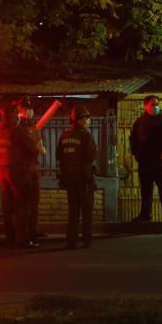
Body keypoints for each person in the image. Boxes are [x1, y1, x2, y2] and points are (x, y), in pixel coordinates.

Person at [130, 95, 162, 223]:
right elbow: (133, 140)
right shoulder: (139, 122)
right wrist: (137, 155)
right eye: (153, 104)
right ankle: (145, 215)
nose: (156, 107)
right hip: (145, 163)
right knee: (146, 191)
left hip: (160, 163)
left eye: (157, 104)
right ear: (145, 106)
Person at [56, 105, 98, 249]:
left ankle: (71, 241)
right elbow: (90, 156)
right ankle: (86, 240)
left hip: (69, 177)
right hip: (83, 177)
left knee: (73, 210)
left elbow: (59, 156)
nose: (88, 120)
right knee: (87, 210)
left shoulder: (64, 135)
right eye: (86, 118)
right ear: (79, 120)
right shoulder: (86, 135)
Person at [15, 96, 46, 245]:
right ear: (20, 111)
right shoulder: (18, 129)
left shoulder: (33, 128)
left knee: (34, 202)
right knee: (25, 204)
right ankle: (25, 234)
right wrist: (36, 148)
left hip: (34, 168)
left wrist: (40, 148)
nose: (30, 111)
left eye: (30, 109)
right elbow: (28, 148)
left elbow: (40, 146)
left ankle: (34, 230)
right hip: (24, 170)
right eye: (26, 109)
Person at [0, 103, 21, 247]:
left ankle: (10, 238)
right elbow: (28, 148)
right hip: (14, 171)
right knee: (19, 207)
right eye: (17, 114)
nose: (18, 116)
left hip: (2, 171)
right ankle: (19, 238)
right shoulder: (13, 131)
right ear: (12, 115)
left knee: (7, 209)